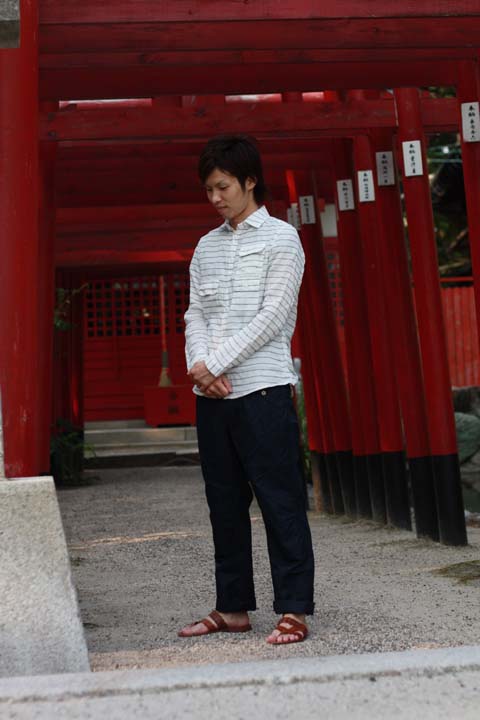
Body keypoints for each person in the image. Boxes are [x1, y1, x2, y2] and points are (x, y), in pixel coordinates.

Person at [179, 134, 315, 645]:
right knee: (224, 504)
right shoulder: (206, 246)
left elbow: (274, 315)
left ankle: (294, 610)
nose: (215, 197)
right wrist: (199, 368)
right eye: (209, 189)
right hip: (213, 398)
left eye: (223, 186)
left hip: (263, 390)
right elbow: (195, 312)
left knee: (281, 501)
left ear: (250, 181)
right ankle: (232, 607)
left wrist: (213, 364)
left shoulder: (283, 239)